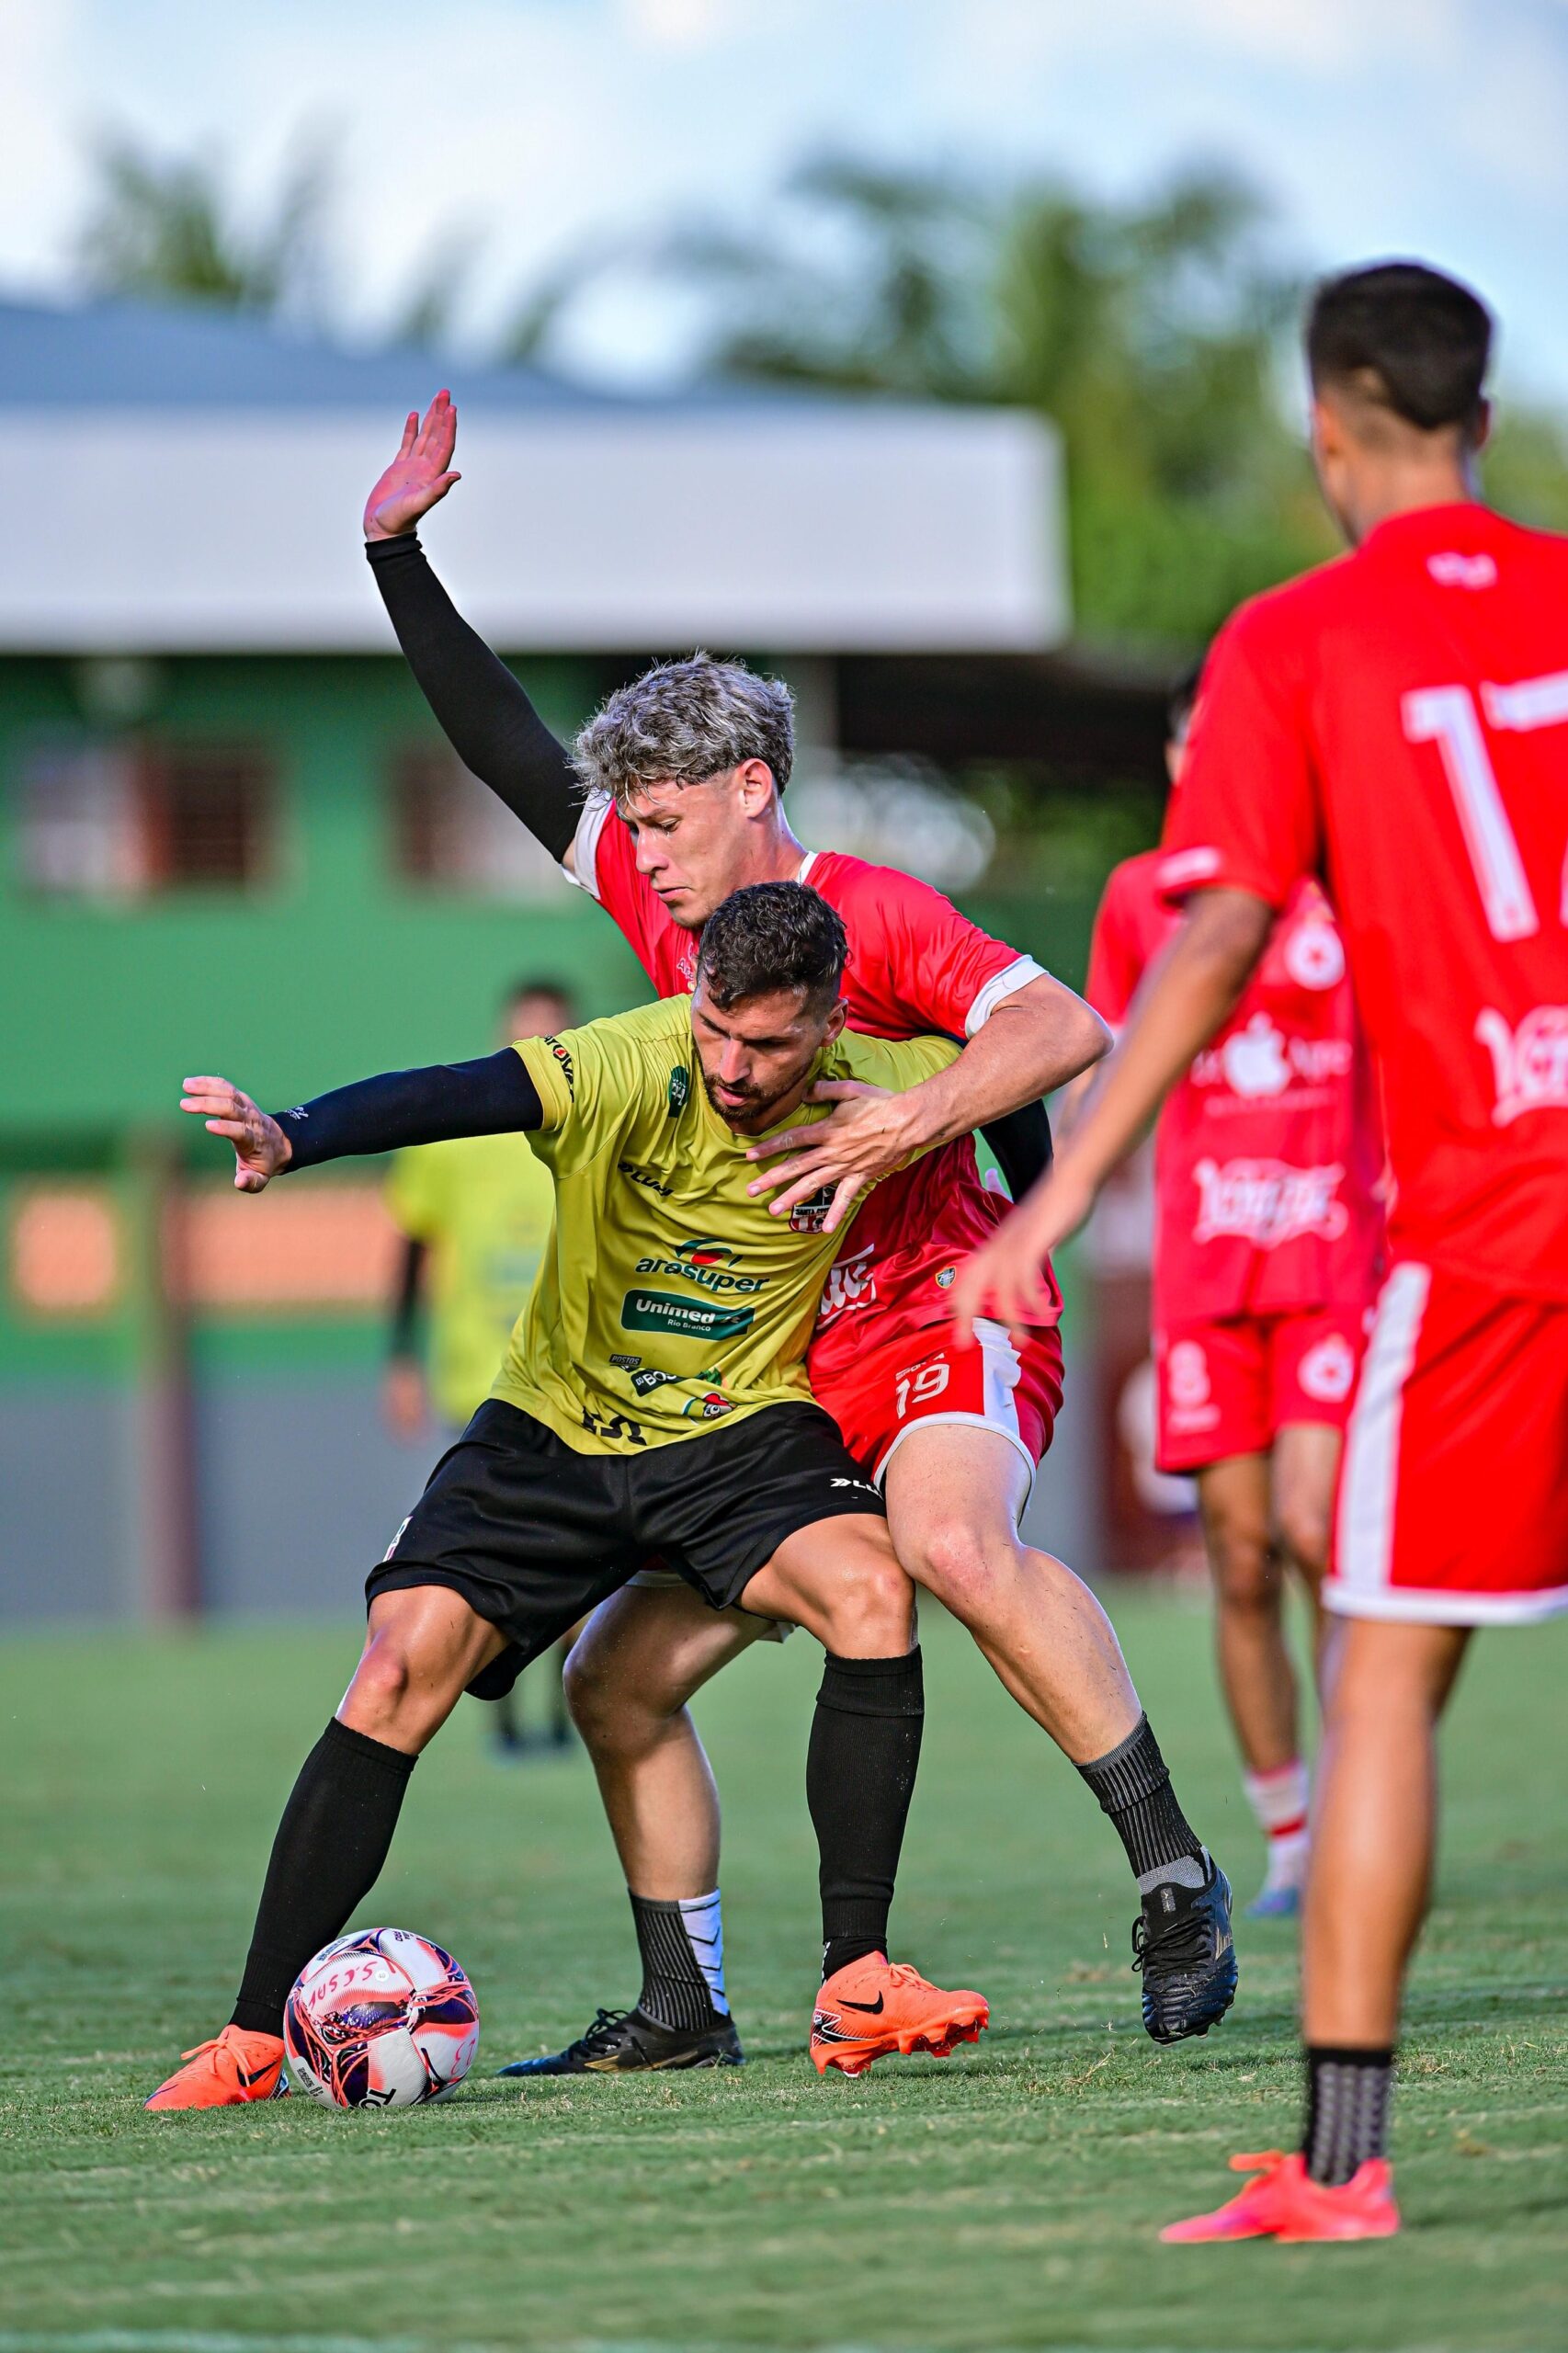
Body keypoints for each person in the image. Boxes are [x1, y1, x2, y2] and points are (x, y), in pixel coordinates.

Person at [359, 397, 1238, 2078]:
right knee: (620, 1682)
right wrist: (396, 553)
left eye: (668, 823)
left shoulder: (876, 910)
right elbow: (502, 746)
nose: (639, 856)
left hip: (937, 1302)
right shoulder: (666, 897)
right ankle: (683, 2003)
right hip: (783, 1361)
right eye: (633, 831)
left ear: (752, 789)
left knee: (951, 1546)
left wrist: (915, 1119)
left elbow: (1060, 1029)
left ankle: (1172, 1872)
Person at [952, 260, 1568, 2243]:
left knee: (1377, 1674)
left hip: (1487, 1229)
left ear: (1327, 427)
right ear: (1478, 413)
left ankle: (1337, 2166)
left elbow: (1208, 933)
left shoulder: (1297, 639)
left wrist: (1051, 1198)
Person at [145, 881, 992, 2110]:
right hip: (555, 1428)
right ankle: (249, 2038)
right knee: (395, 1662)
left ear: (823, 1027)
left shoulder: (887, 1079)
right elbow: (456, 1092)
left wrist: (1003, 1196)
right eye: (715, 1029)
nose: (734, 1066)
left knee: (871, 1591)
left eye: (766, 1044)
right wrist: (291, 1133)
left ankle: (853, 1979)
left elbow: (1031, 1062)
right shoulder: (628, 1060)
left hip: (738, 1429)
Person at [1072, 672, 1384, 1917]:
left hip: (1328, 1258)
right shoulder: (1141, 899)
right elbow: (1102, 1072)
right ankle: (1293, 1837)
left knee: (1315, 1534)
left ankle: (1368, 1797)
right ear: (1171, 756)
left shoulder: (1348, 880)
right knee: (1241, 1559)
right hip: (1205, 1272)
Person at [384, 974, 581, 1756]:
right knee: (487, 1549)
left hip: (577, 1378)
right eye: (524, 1032)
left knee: (576, 1550)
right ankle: (502, 1720)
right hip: (480, 1378)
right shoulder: (459, 1128)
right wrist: (400, 1358)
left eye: (552, 1033)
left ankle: (566, 1717)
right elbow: (411, 1244)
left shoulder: (596, 1116)